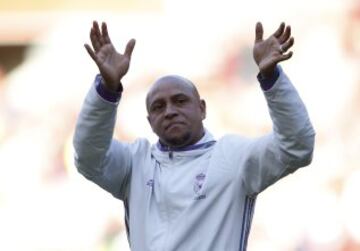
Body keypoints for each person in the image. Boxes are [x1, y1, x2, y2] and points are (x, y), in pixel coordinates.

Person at [73, 20, 315, 251]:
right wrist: (106, 89)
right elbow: (87, 157)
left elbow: (297, 147)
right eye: (158, 107)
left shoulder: (232, 157)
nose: (169, 111)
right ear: (149, 122)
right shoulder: (135, 162)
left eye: (180, 101)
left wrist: (272, 78)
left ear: (202, 109)